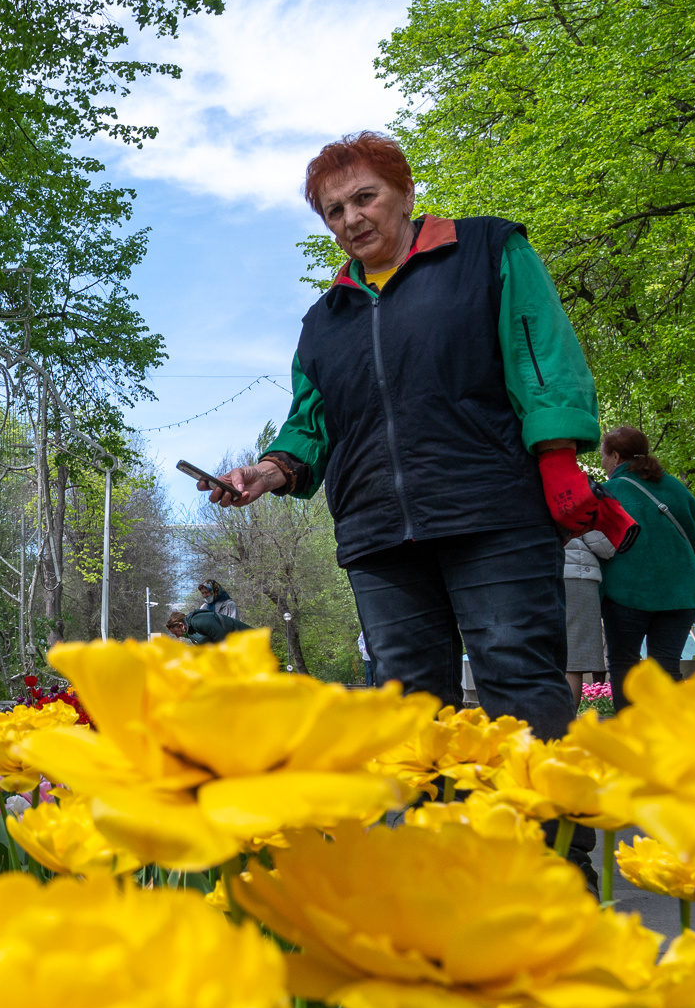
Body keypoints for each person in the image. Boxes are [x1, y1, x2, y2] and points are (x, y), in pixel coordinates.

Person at [196, 131, 638, 889]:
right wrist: (267, 469)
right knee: (406, 711)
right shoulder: (324, 318)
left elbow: (540, 355)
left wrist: (559, 454)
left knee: (517, 684)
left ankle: (556, 880)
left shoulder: (487, 252)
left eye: (364, 197)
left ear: (402, 192)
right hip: (376, 536)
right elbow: (312, 420)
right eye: (333, 210)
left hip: (489, 512)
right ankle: (430, 889)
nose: (351, 219)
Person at [596, 425, 695, 710]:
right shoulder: (676, 488)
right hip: (680, 595)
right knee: (666, 667)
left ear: (616, 456)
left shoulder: (609, 492)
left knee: (624, 664)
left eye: (603, 455)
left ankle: (629, 736)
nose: (602, 462)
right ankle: (668, 738)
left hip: (625, 595)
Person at [562, 528, 615, 705]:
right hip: (574, 576)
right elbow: (606, 547)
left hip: (524, 574)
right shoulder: (573, 499)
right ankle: (564, 727)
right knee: (572, 659)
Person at [166, 607, 248, 644]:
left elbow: (221, 638)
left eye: (176, 633)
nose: (177, 636)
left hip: (248, 641)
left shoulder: (199, 620)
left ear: (181, 625)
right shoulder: (192, 633)